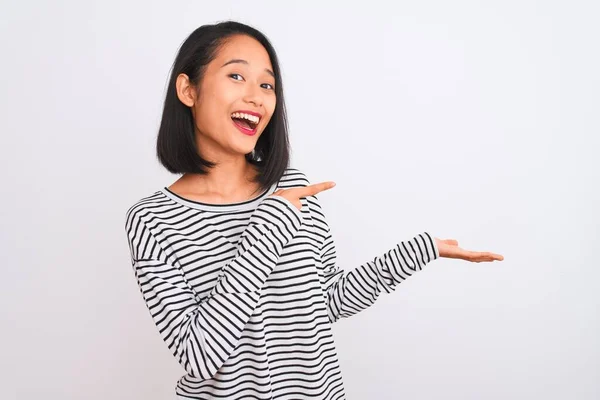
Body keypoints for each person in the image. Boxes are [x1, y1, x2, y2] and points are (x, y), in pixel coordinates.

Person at [124, 20, 504, 400]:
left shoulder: (293, 186)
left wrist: (421, 250)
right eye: (237, 76)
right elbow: (200, 354)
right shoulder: (151, 220)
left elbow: (326, 302)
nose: (257, 96)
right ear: (188, 90)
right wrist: (268, 229)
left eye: (267, 84)